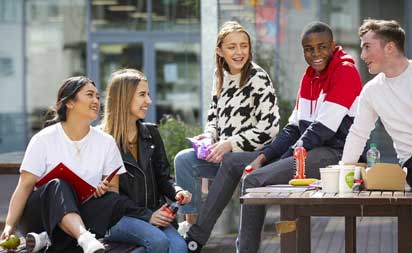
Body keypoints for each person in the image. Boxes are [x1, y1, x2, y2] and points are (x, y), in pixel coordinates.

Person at [198, 21, 361, 253]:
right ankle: (196, 238)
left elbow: (323, 129)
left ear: (333, 46)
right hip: (309, 152)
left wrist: (282, 159)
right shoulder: (310, 78)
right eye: (309, 49)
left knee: (253, 179)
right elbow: (293, 128)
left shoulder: (345, 72)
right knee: (234, 161)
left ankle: (245, 250)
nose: (315, 54)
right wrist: (265, 157)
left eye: (322, 47)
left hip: (335, 156)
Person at [0, 76, 149, 253]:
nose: (96, 101)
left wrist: (102, 189)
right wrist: (9, 226)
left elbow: (113, 191)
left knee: (112, 200)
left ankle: (51, 237)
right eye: (89, 95)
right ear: (70, 102)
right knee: (59, 185)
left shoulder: (106, 142)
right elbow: (24, 187)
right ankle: (83, 237)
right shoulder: (43, 139)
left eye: (97, 97)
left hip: (83, 215)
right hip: (39, 217)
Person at [341, 19, 412, 241]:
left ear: (389, 47)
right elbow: (358, 133)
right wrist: (342, 172)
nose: (362, 55)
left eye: (367, 46)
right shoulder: (371, 91)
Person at [174, 20, 280, 238]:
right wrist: (209, 136)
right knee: (183, 160)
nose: (239, 52)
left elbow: (269, 129)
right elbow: (213, 115)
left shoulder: (258, 78)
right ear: (219, 51)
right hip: (224, 156)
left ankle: (198, 234)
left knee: (230, 164)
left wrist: (230, 143)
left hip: (253, 159)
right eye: (232, 47)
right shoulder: (219, 76)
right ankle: (189, 226)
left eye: (244, 45)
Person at [101, 69, 192, 253]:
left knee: (180, 248)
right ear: (124, 98)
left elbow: (163, 177)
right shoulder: (102, 139)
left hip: (155, 214)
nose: (149, 101)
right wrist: (148, 216)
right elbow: (110, 196)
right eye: (142, 95)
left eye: (148, 94)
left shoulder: (151, 133)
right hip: (117, 217)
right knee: (157, 241)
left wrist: (177, 191)